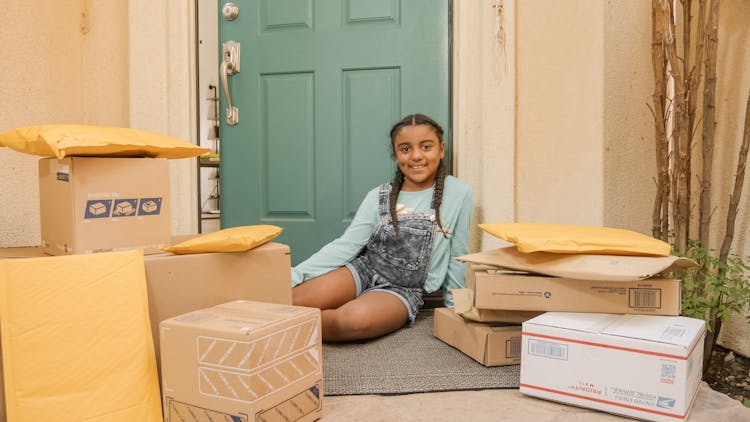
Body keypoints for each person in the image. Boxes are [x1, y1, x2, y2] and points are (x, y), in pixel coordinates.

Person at [291, 113, 474, 342]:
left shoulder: (458, 193)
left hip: (401, 290)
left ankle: (288, 329)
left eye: (426, 147)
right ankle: (280, 325)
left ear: (441, 149)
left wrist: (454, 311)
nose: (416, 156)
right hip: (363, 270)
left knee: (351, 321)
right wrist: (294, 275)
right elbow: (346, 245)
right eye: (405, 149)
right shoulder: (379, 195)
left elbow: (458, 254)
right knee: (290, 300)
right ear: (396, 154)